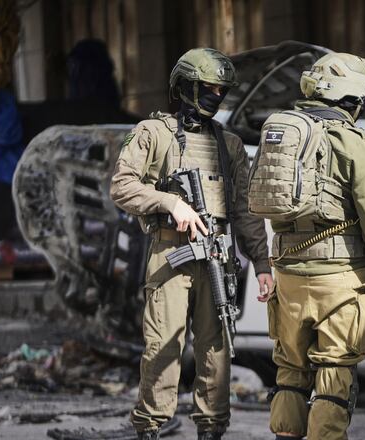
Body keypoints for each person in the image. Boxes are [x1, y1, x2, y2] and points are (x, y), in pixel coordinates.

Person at [110, 48, 272, 440]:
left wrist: (263, 264)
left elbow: (245, 210)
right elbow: (122, 186)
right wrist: (170, 202)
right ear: (186, 86)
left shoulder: (228, 144)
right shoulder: (154, 134)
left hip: (216, 254)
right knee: (163, 345)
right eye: (209, 87)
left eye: (221, 90)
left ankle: (212, 427)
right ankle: (150, 426)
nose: (216, 96)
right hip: (171, 251)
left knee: (217, 349)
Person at [258, 52, 365, 440]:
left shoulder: (285, 134)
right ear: (354, 100)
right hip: (341, 282)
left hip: (289, 277)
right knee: (334, 374)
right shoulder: (355, 142)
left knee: (291, 371)